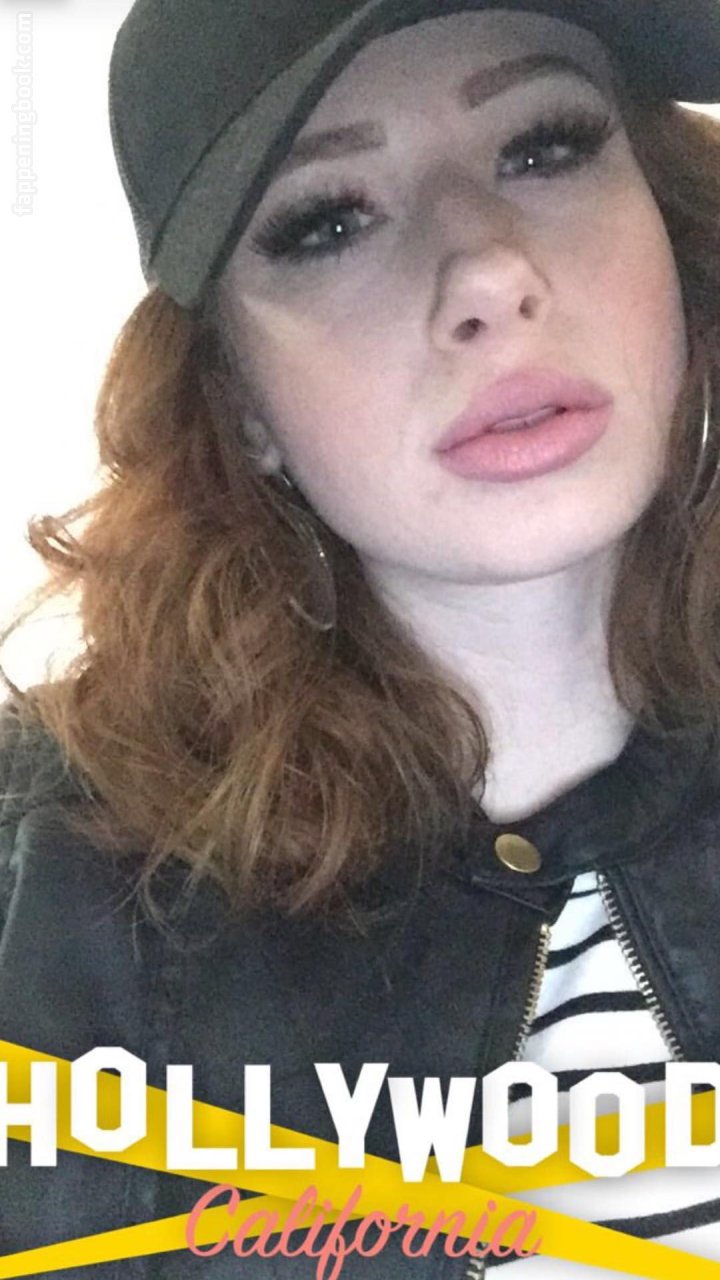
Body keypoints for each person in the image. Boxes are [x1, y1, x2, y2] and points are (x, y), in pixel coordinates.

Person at [2, 0, 720, 1275]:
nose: (487, 272)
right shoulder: (41, 895)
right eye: (328, 221)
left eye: (546, 146)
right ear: (239, 398)